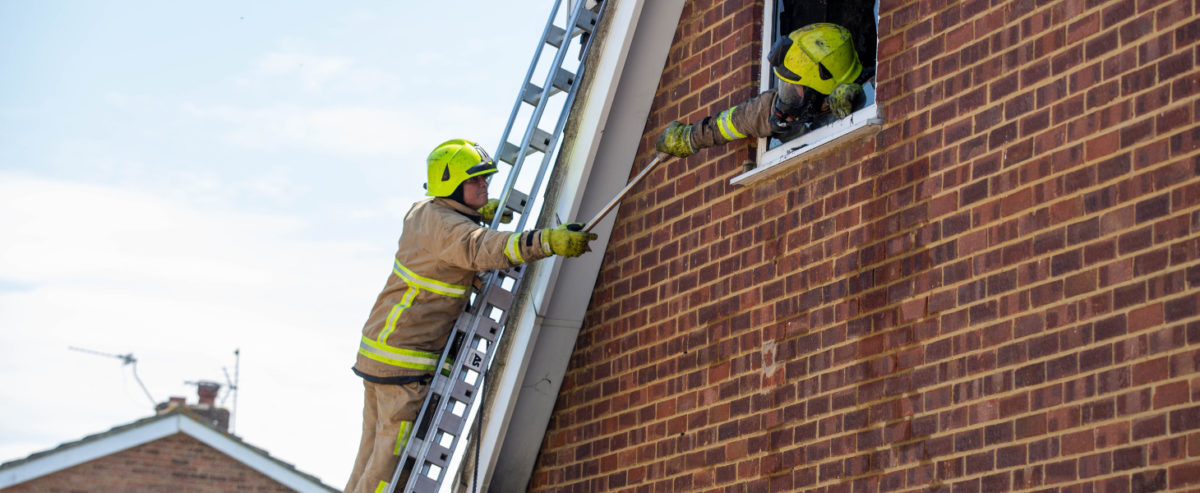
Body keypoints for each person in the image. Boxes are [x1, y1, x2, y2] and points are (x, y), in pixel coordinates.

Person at [344, 138, 598, 493]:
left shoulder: (428, 212)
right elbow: (480, 247)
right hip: (404, 364)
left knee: (370, 454)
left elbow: (457, 230)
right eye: (475, 181)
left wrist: (483, 210)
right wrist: (545, 242)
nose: (484, 186)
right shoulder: (448, 229)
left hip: (383, 353)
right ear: (451, 186)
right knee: (389, 465)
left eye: (485, 179)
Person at [656, 23, 870, 158]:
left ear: (821, 87)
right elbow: (732, 121)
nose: (784, 98)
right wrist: (688, 137)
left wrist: (859, 101)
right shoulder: (772, 110)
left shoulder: (870, 91)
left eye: (793, 89)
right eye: (784, 86)